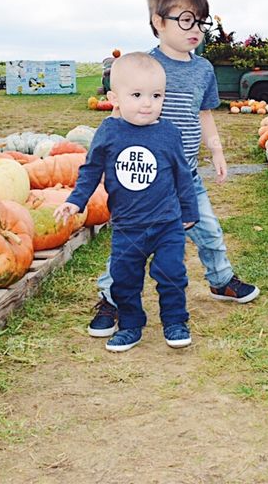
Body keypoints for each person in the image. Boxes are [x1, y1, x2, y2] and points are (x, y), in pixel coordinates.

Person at [87, 0, 260, 338]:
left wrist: (216, 150)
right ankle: (111, 298)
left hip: (188, 177)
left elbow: (205, 112)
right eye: (185, 20)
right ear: (158, 22)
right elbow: (119, 117)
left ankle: (221, 280)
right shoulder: (143, 67)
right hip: (148, 180)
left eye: (200, 21)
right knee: (129, 243)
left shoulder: (203, 70)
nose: (195, 29)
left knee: (209, 230)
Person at [55, 52, 199, 352]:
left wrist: (189, 211)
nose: (147, 103)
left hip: (166, 224)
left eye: (156, 95)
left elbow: (182, 175)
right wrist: (76, 201)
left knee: (172, 273)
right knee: (124, 279)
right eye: (136, 95)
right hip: (127, 226)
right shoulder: (109, 132)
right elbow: (91, 169)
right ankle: (131, 325)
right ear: (114, 98)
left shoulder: (168, 133)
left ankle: (175, 321)